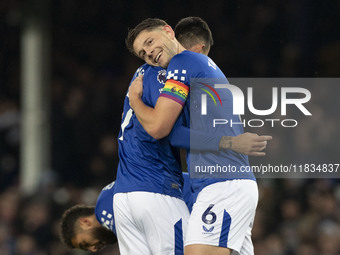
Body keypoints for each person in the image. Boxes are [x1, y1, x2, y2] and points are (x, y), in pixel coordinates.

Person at [126, 18, 272, 255]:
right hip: (224, 181)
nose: (149, 53)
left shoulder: (183, 62)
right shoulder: (201, 64)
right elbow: (178, 134)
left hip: (223, 183)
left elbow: (160, 128)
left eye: (150, 42)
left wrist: (135, 101)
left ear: (168, 31)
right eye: (142, 53)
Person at [59, 172, 193, 253]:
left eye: (85, 244)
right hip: (191, 194)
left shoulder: (105, 212)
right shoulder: (108, 197)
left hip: (192, 197)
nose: (93, 249)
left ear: (85, 222)